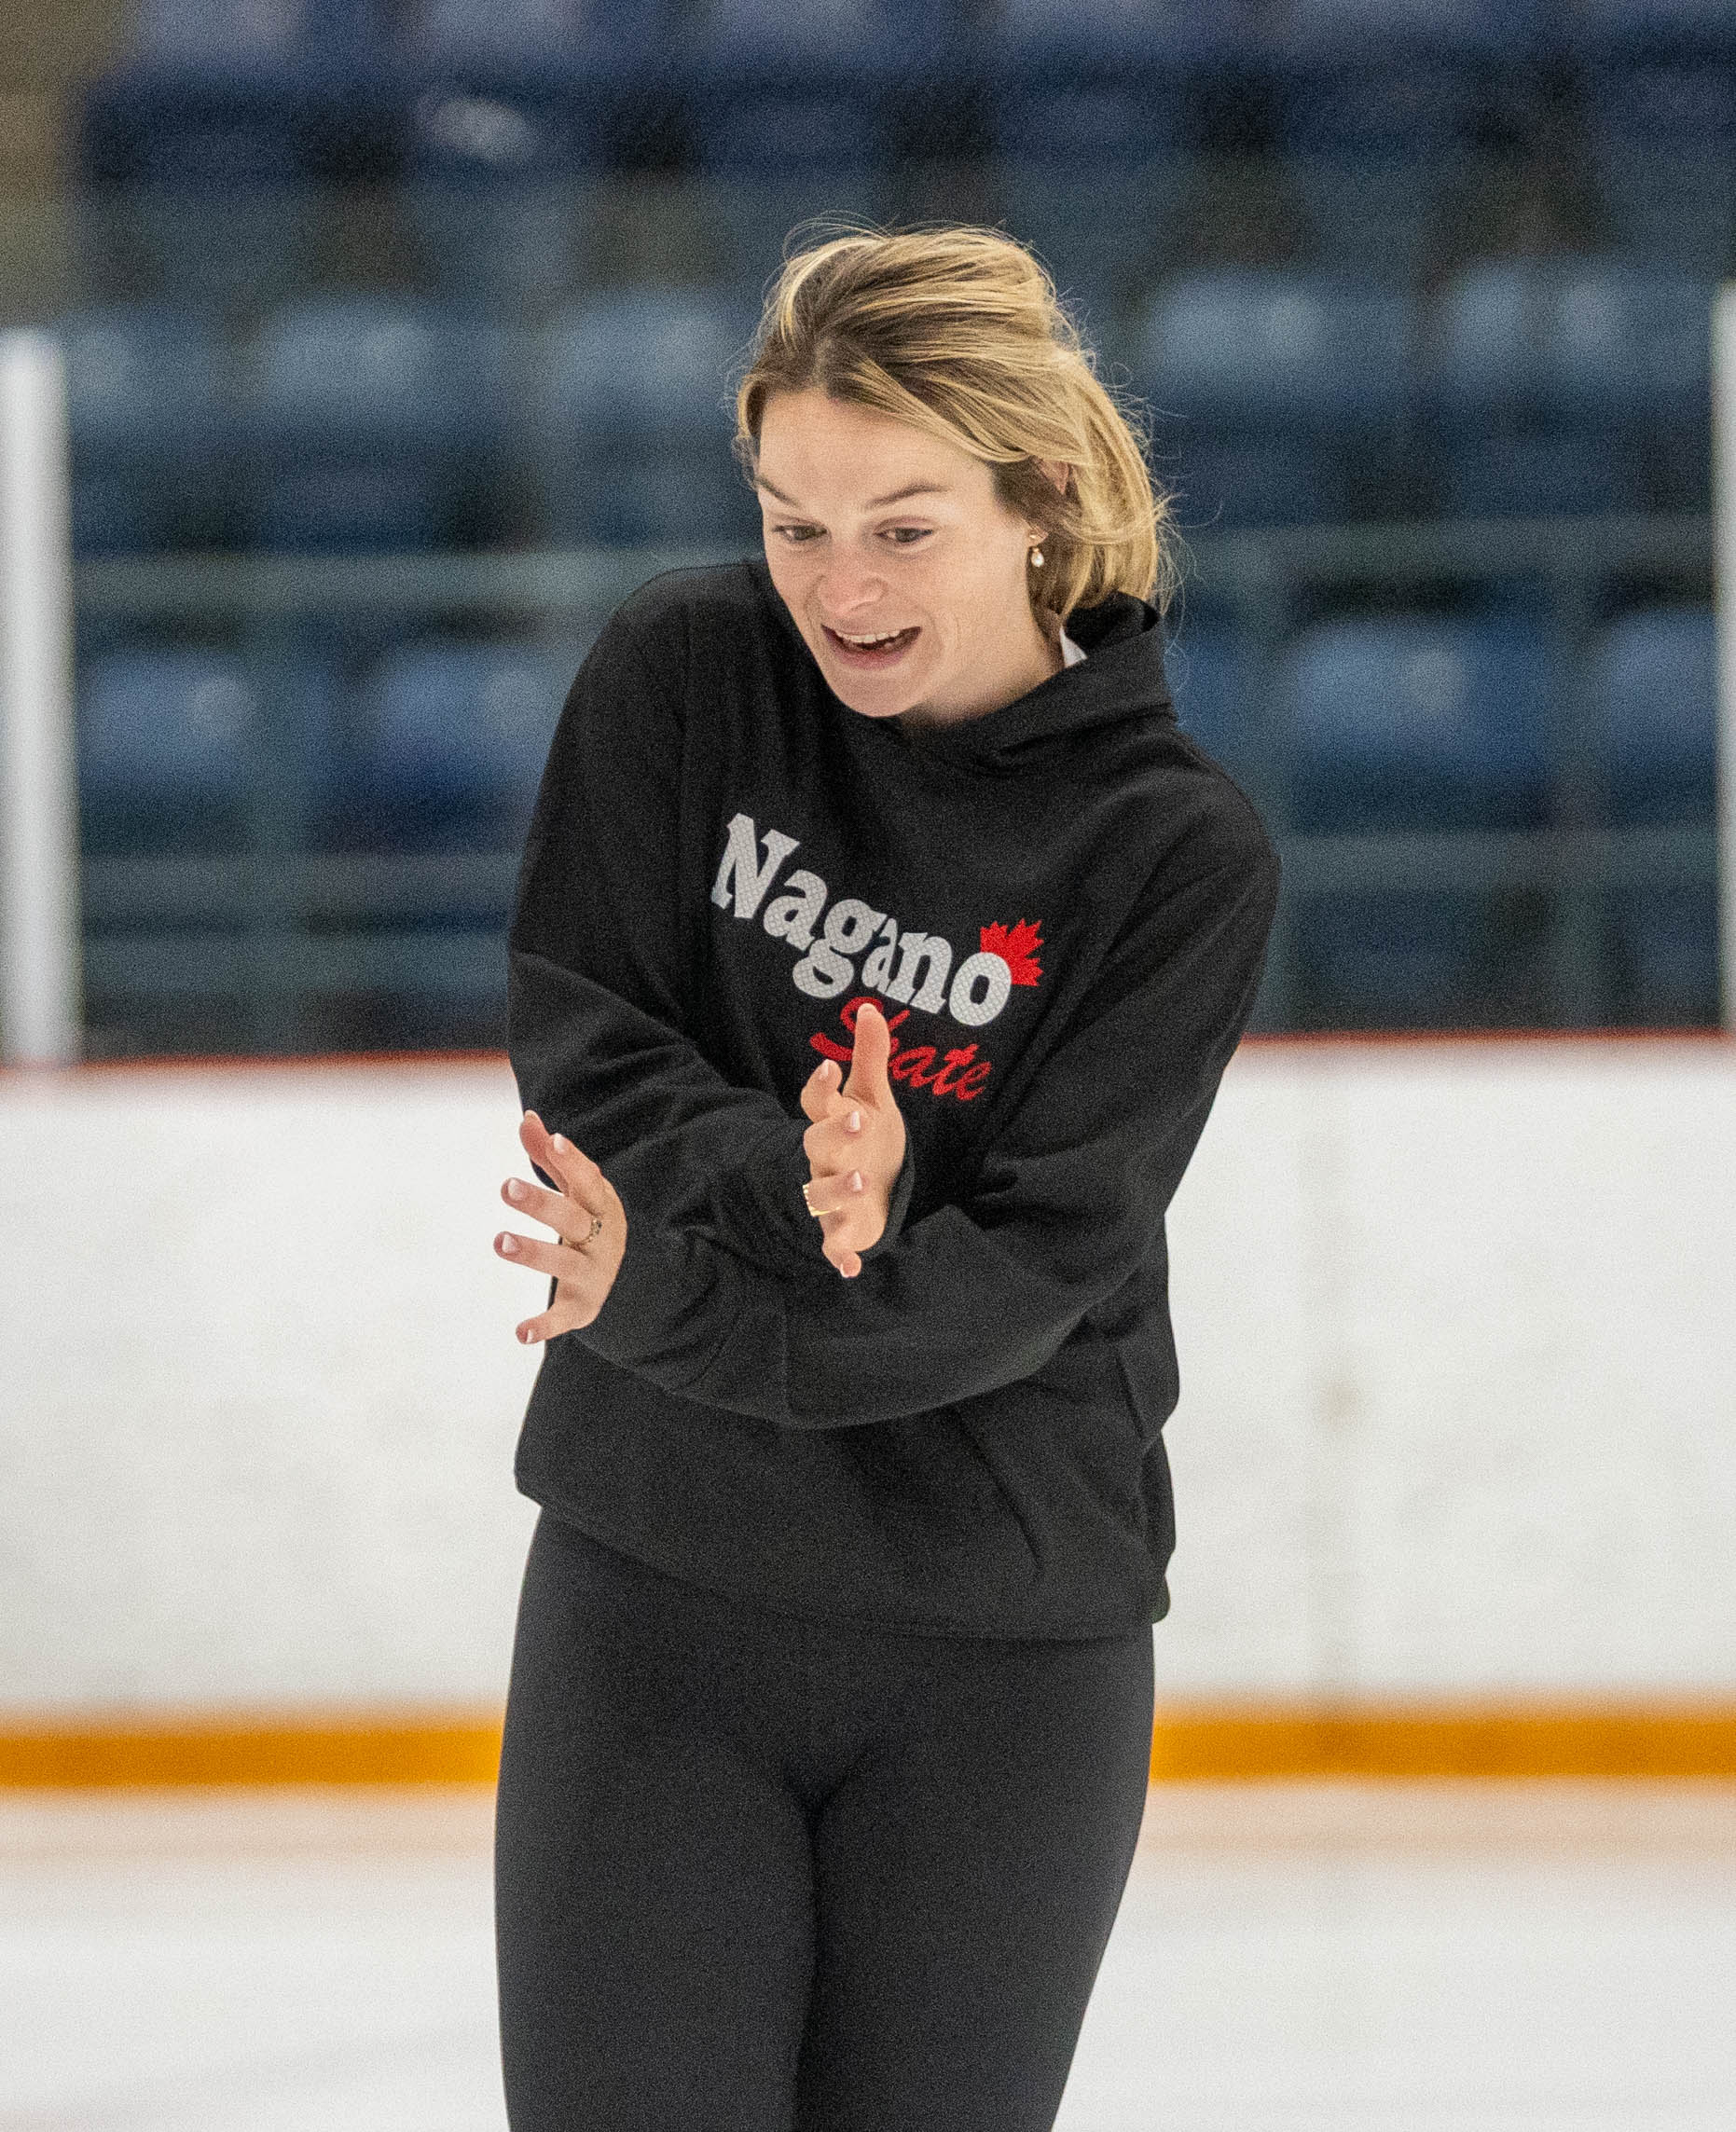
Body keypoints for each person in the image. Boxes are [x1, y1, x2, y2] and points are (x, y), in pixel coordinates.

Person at [486, 226, 1280, 2132]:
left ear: (1039, 500)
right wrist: (800, 1175)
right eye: (793, 523)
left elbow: (1026, 1275)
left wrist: (706, 1281)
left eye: (902, 529)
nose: (838, 587)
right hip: (655, 1606)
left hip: (1001, 1654)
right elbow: (589, 1038)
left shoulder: (1173, 856)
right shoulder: (685, 677)